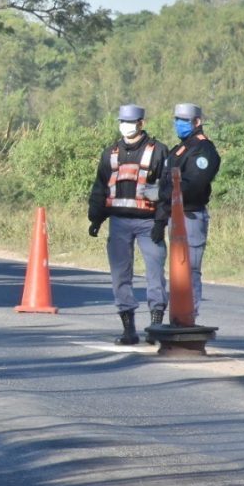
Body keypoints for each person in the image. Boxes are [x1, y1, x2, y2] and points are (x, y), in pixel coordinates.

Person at [88, 104, 169, 345]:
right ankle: (128, 330)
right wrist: (96, 218)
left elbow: (167, 191)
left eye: (131, 122)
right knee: (120, 276)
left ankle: (155, 326)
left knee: (155, 275)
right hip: (119, 222)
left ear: (141, 123)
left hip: (149, 224)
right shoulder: (110, 152)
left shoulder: (159, 151)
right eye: (122, 121)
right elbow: (100, 188)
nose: (126, 126)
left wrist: (160, 222)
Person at [153, 102, 220, 324]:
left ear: (197, 122)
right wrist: (160, 219)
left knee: (189, 268)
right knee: (177, 269)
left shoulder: (204, 149)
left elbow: (192, 185)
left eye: (183, 120)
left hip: (190, 215)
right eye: (176, 119)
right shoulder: (179, 149)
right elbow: (167, 183)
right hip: (174, 216)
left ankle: (188, 316)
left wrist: (161, 192)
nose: (178, 124)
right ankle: (178, 315)